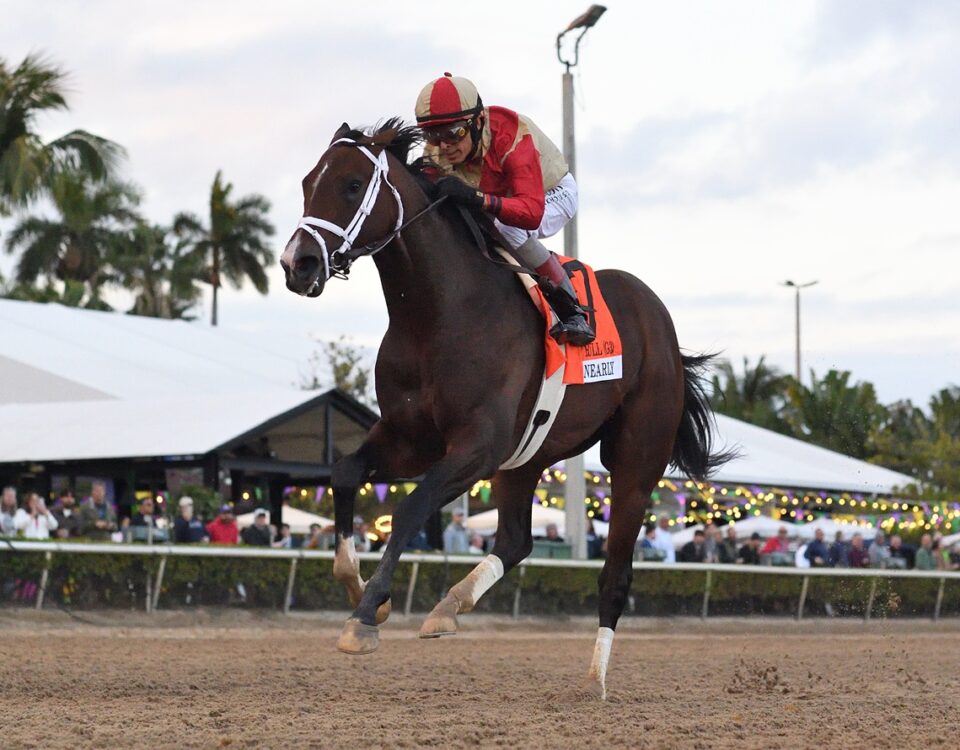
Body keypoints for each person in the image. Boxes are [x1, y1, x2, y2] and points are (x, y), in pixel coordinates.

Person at [415, 73, 594, 346]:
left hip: (552, 194)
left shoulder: (511, 134)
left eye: (454, 133)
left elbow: (531, 212)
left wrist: (477, 198)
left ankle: (571, 309)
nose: (444, 146)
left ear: (477, 121)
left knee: (507, 226)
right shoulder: (436, 152)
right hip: (503, 202)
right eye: (433, 135)